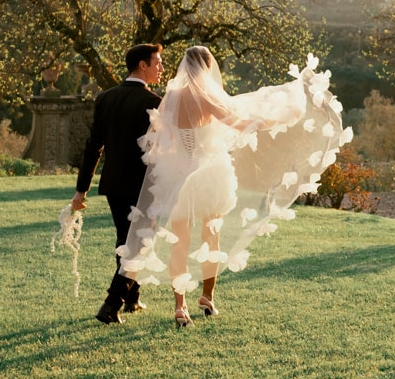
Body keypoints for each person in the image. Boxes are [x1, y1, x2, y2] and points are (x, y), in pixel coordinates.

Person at [118, 46, 351, 328]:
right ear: (206, 69)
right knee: (210, 237)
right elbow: (241, 124)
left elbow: (157, 135)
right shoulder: (208, 99)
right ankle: (207, 298)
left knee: (179, 241)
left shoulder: (172, 97)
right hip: (208, 174)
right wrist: (280, 119)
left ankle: (180, 307)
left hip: (176, 175)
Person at [72, 43, 164, 325]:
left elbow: (93, 147)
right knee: (138, 242)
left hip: (112, 183)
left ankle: (132, 299)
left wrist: (81, 189)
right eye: (157, 62)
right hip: (141, 186)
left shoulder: (105, 98)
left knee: (125, 239)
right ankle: (111, 304)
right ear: (142, 65)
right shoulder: (154, 103)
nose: (161, 67)